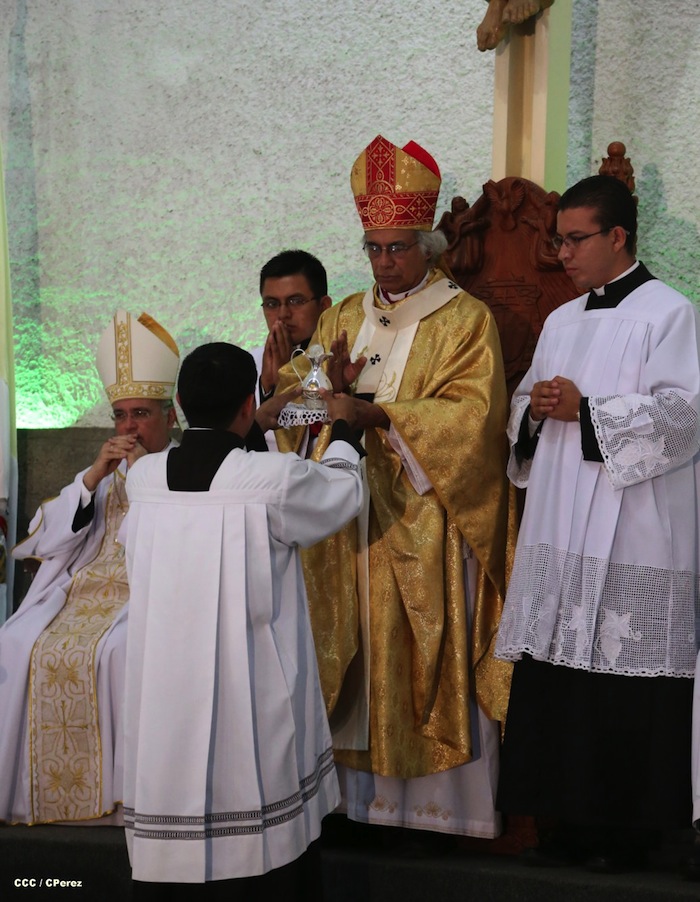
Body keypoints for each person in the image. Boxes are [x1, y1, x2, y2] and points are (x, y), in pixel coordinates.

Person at [275, 135, 513, 840]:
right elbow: (292, 408)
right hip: (347, 520)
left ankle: (441, 816)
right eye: (373, 247)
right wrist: (323, 396)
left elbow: (474, 422)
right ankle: (354, 806)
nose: (384, 261)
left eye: (397, 247)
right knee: (351, 652)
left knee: (416, 654)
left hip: (425, 520)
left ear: (429, 245)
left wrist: (379, 413)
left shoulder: (465, 319)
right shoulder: (342, 316)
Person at [495, 174, 700, 871]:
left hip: (634, 529)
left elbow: (684, 417)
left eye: (576, 239)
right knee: (560, 683)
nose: (562, 254)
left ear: (618, 237)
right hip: (561, 528)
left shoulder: (671, 314)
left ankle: (629, 836)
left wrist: (587, 412)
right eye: (558, 240)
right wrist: (534, 410)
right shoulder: (562, 319)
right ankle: (566, 826)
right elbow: (523, 406)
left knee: (622, 689)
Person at [122, 342, 364, 897]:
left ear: (178, 404)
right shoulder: (274, 479)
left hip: (164, 693)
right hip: (247, 692)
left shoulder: (145, 480)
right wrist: (346, 428)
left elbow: (222, 467)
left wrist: (253, 420)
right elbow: (341, 492)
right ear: (245, 402)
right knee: (260, 818)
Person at [0, 310, 179, 825]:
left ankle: (120, 802)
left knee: (117, 653)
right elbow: (48, 536)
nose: (128, 426)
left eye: (141, 413)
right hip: (79, 595)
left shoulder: (183, 466)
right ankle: (24, 796)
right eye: (120, 414)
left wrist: (144, 474)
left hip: (142, 596)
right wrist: (92, 479)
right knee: (15, 641)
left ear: (170, 416)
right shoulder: (100, 472)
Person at [253, 250, 332, 447]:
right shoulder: (247, 365)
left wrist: (288, 376)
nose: (282, 314)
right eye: (271, 304)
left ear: (324, 306)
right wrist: (268, 388)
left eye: (295, 301)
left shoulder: (340, 361)